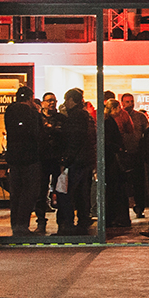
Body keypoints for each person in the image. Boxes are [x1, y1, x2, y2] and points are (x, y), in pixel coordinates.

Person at [3, 85, 44, 235]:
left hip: (14, 158)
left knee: (16, 193)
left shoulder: (9, 112)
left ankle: (15, 225)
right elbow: (38, 135)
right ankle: (22, 225)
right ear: (29, 98)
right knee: (29, 192)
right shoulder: (32, 114)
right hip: (30, 158)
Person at [57, 88, 96, 235]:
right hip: (85, 160)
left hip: (76, 161)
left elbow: (74, 140)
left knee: (66, 192)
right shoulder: (85, 116)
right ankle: (82, 222)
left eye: (67, 100)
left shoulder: (76, 117)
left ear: (71, 100)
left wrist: (66, 160)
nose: (65, 103)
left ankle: (68, 224)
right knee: (82, 194)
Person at [103, 97, 133, 229]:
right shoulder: (109, 122)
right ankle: (117, 218)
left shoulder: (106, 121)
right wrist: (119, 148)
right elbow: (110, 141)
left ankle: (112, 218)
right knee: (117, 190)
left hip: (111, 160)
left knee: (113, 190)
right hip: (114, 161)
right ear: (114, 108)